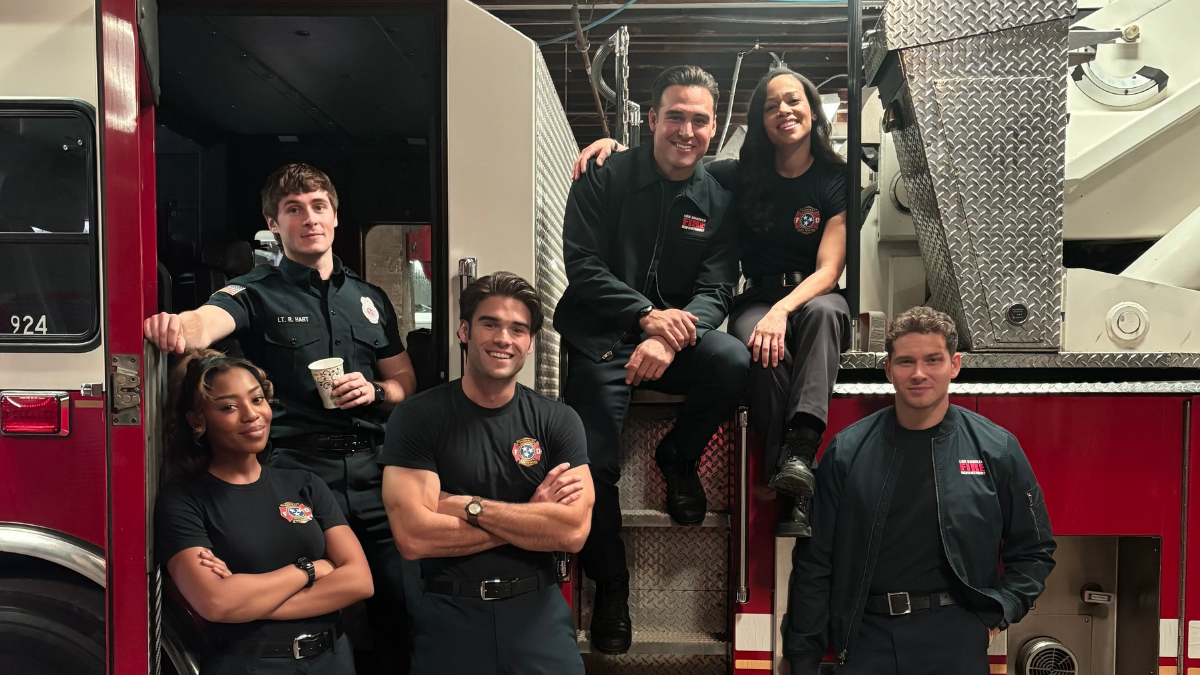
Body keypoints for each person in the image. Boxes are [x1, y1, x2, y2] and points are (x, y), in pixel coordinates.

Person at [144, 163, 417, 673]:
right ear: (274, 223)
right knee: (300, 608)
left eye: (318, 207)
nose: (309, 218)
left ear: (335, 216)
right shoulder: (253, 292)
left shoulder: (370, 299)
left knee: (399, 610)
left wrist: (378, 390)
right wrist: (176, 325)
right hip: (296, 474)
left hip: (373, 473)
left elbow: (404, 381)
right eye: (294, 209)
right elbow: (206, 321)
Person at [574, 67, 850, 538]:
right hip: (737, 301)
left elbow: (826, 271)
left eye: (794, 101)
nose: (783, 111)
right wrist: (618, 149)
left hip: (812, 293)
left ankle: (800, 456)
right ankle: (783, 474)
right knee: (755, 350)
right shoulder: (737, 176)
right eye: (771, 105)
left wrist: (780, 312)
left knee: (813, 319)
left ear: (813, 109)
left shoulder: (834, 177)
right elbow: (680, 162)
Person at [556, 64, 750, 655]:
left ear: (714, 127)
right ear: (650, 119)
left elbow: (718, 290)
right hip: (600, 339)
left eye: (699, 120)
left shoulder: (720, 199)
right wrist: (645, 317)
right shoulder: (604, 174)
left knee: (733, 361)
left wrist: (669, 336)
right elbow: (582, 265)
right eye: (675, 117)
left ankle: (679, 456)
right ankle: (611, 586)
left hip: (675, 340)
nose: (686, 131)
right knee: (593, 466)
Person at [782, 307, 1057, 675]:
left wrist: (998, 612)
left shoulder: (997, 449)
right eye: (906, 361)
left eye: (932, 360)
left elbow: (1035, 549)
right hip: (866, 639)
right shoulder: (846, 452)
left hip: (956, 636)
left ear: (954, 365)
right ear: (888, 369)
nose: (919, 373)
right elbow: (815, 562)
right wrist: (803, 659)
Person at [379, 272, 593, 675]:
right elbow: (413, 536)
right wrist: (532, 517)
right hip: (450, 616)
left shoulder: (558, 421)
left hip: (538, 616)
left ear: (530, 342)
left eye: (518, 329)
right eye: (490, 324)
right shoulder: (417, 418)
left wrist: (467, 506)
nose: (503, 339)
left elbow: (572, 531)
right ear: (464, 331)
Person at [155, 350, 374, 675]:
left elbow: (359, 581)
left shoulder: (306, 484)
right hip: (249, 664)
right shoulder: (183, 500)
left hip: (333, 661)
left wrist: (249, 602)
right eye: (229, 407)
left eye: (257, 399)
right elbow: (216, 602)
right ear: (197, 420)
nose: (251, 415)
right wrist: (311, 569)